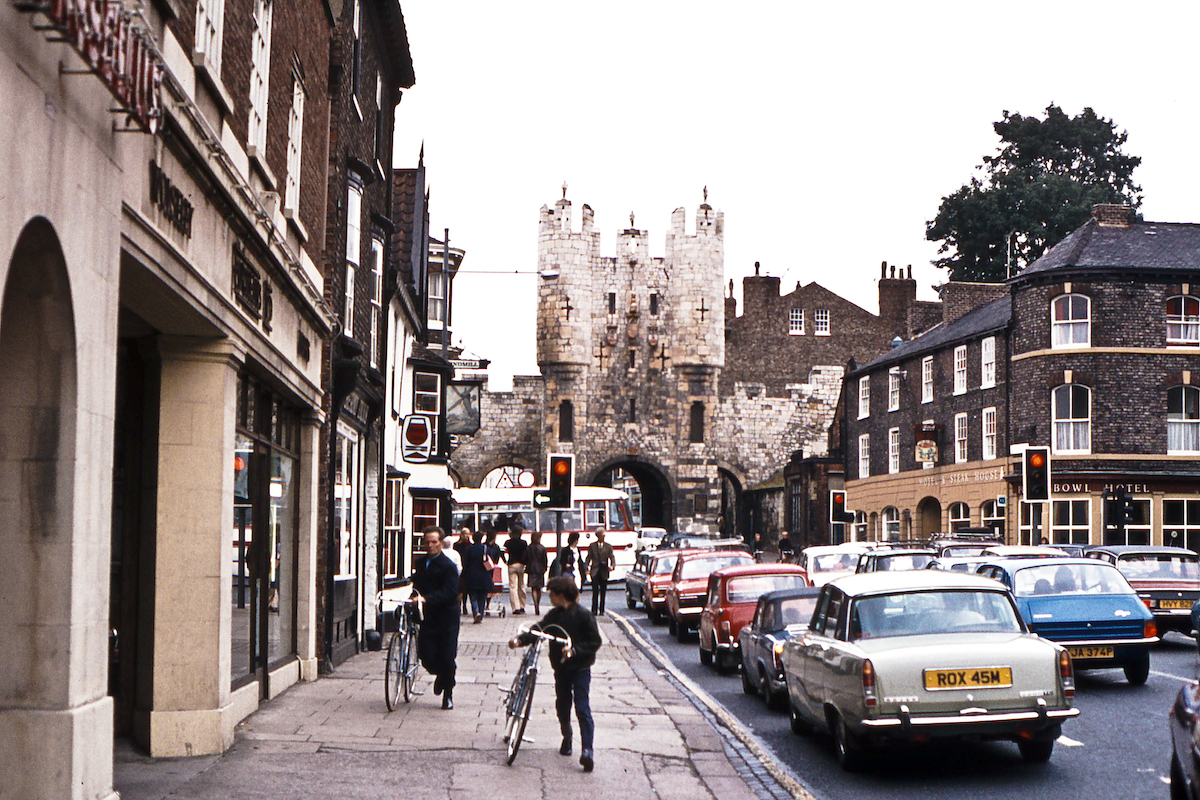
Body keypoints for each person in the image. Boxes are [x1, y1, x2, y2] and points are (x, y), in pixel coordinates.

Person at [508, 576, 601, 772]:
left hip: (581, 667)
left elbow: (595, 642)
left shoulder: (584, 615)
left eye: (551, 593)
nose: (549, 596)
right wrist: (520, 640)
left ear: (561, 595)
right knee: (563, 705)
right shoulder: (554, 615)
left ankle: (587, 751)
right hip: (561, 668)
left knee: (582, 707)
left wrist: (574, 650)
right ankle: (567, 738)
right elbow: (538, 631)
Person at [411, 526, 460, 710]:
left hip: (446, 617)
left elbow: (450, 591)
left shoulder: (449, 567)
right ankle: (442, 675)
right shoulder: (421, 563)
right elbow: (417, 586)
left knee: (447, 657)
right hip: (428, 617)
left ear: (441, 543)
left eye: (434, 542)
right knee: (427, 657)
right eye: (427, 542)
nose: (430, 545)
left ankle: (448, 694)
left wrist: (426, 599)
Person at [584, 527, 616, 616]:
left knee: (603, 591)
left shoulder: (608, 546)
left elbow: (612, 557)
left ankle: (601, 610)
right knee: (595, 591)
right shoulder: (592, 546)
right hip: (595, 570)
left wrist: (613, 565)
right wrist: (586, 568)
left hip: (604, 571)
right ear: (598, 536)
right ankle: (594, 610)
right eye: (603, 534)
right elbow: (588, 557)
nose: (604, 536)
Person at [463, 531, 492, 623]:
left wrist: (463, 574)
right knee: (482, 598)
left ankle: (476, 612)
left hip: (472, 576)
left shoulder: (469, 549)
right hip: (484, 576)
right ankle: (481, 614)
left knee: (473, 596)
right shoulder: (486, 548)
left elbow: (465, 563)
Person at [504, 523, 530, 615]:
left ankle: (515, 607)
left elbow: (501, 551)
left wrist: (505, 561)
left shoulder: (508, 542)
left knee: (512, 587)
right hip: (521, 565)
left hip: (511, 564)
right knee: (521, 585)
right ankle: (522, 606)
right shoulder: (524, 543)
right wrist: (525, 562)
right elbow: (526, 553)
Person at [526, 531, 549, 615]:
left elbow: (525, 558)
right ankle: (538, 604)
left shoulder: (529, 547)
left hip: (531, 569)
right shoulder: (542, 548)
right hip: (540, 569)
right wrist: (545, 568)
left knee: (533, 588)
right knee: (539, 588)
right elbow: (545, 559)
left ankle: (535, 604)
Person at [454, 527, 472, 615]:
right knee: (460, 589)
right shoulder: (457, 545)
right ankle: (459, 606)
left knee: (465, 590)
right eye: (465, 533)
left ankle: (464, 605)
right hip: (460, 568)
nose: (467, 536)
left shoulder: (470, 545)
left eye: (468, 533)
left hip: (468, 569)